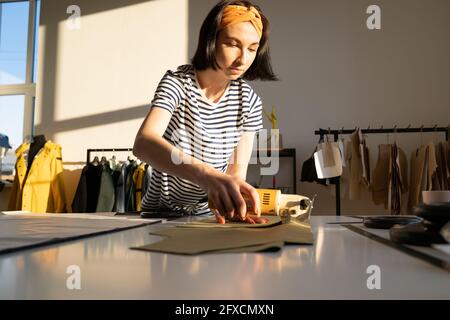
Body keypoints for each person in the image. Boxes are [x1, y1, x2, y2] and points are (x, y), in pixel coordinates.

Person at [133, 0, 277, 224]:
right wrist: (206, 176)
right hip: (159, 216)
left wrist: (235, 204)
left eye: (252, 48)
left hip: (209, 217)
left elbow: (236, 175)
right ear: (211, 39)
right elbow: (143, 143)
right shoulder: (177, 83)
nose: (243, 59)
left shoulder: (249, 101)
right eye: (232, 44)